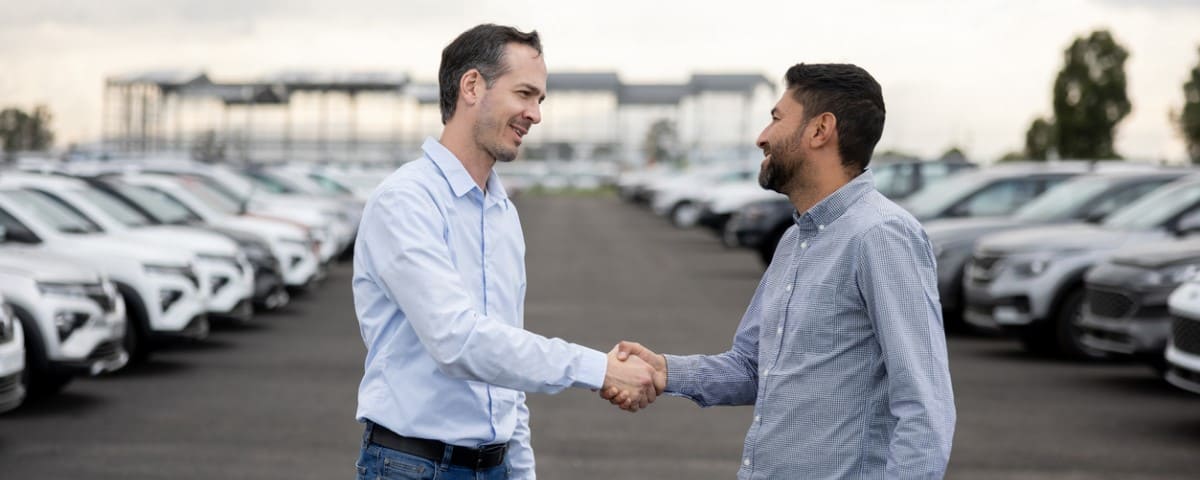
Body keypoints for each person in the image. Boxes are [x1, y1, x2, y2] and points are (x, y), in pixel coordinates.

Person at [605, 63, 956, 479]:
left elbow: (925, 406)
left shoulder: (881, 236)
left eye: (775, 118)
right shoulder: (795, 241)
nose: (762, 137)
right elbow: (753, 368)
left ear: (820, 130)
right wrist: (667, 371)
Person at [352, 24, 657, 480]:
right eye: (525, 94)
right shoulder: (406, 200)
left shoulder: (501, 212)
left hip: (494, 466)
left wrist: (521, 471)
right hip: (412, 466)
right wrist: (600, 368)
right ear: (472, 86)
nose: (535, 114)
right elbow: (458, 342)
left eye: (540, 101)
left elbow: (503, 365)